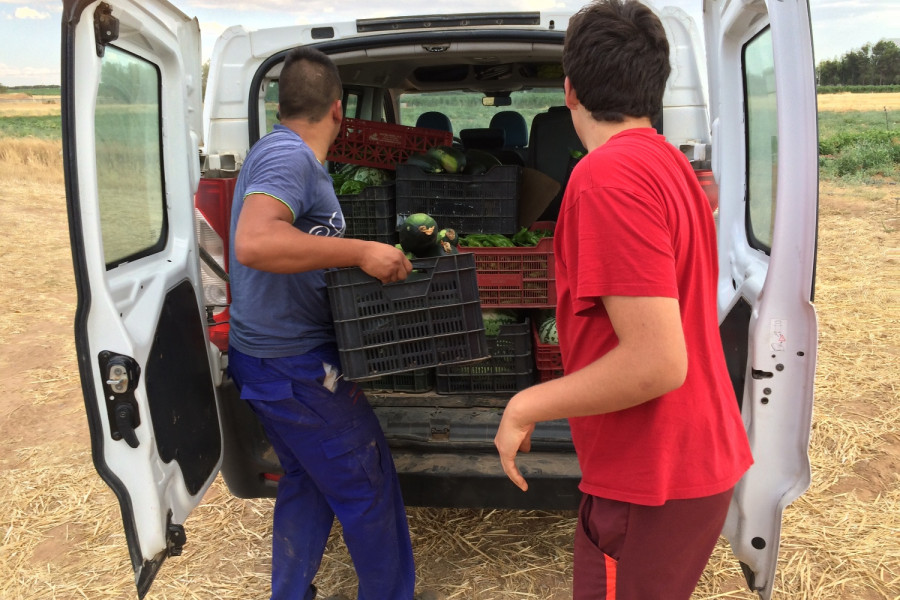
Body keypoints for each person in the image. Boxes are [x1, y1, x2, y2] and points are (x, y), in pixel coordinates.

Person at [493, 1, 754, 598]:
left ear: (569, 90)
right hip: (681, 461)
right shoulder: (669, 163)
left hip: (655, 474)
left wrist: (525, 404)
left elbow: (657, 362)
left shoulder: (605, 178)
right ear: (654, 86)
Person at [227, 46, 416, 600]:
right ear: (338, 110)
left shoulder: (276, 150)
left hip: (270, 362)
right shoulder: (290, 160)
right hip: (294, 368)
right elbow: (256, 241)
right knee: (367, 483)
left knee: (308, 482)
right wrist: (359, 251)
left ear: (280, 104)